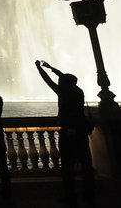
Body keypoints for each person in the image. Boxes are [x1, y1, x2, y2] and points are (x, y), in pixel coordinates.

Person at [36, 60, 95, 206]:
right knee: (86, 165)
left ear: (65, 84)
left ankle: (71, 196)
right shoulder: (77, 91)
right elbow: (63, 77)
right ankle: (89, 195)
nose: (60, 82)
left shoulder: (63, 92)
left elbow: (48, 80)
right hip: (81, 132)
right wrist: (51, 67)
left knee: (67, 168)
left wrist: (39, 68)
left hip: (68, 134)